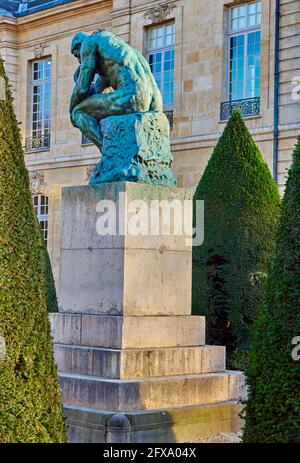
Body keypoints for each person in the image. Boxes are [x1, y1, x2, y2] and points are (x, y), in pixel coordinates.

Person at [70, 30, 163, 149]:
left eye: (77, 55)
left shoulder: (89, 42)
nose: (79, 61)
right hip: (154, 103)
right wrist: (77, 78)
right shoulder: (118, 51)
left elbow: (82, 89)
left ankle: (108, 151)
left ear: (79, 45)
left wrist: (71, 108)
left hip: (132, 97)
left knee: (77, 112)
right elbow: (95, 92)